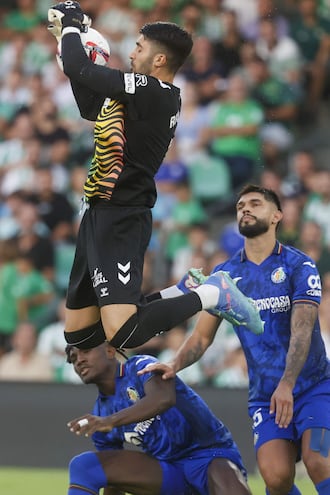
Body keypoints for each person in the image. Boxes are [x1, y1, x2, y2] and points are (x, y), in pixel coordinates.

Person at [47, 1, 263, 352]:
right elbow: (89, 104)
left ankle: (213, 293)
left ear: (160, 59)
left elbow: (77, 66)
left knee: (125, 334)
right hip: (98, 215)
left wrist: (71, 26)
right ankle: (179, 292)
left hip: (122, 215)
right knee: (80, 335)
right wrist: (70, 44)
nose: (132, 53)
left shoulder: (156, 93)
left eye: (139, 47)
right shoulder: (139, 94)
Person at [140, 184, 330, 495]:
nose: (245, 209)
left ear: (276, 216)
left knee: (317, 459)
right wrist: (175, 363)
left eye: (256, 203)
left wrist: (287, 384)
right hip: (264, 395)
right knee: (275, 476)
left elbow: (302, 329)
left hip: (312, 386)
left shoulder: (299, 265)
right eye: (241, 205)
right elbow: (201, 337)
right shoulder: (224, 276)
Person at [65, 341, 252, 495]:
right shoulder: (100, 414)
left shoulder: (141, 366)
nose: (79, 361)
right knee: (84, 466)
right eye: (73, 359)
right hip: (166, 470)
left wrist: (110, 421)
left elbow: (163, 399)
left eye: (86, 351)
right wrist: (106, 421)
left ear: (110, 350)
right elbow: (113, 480)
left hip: (210, 456)